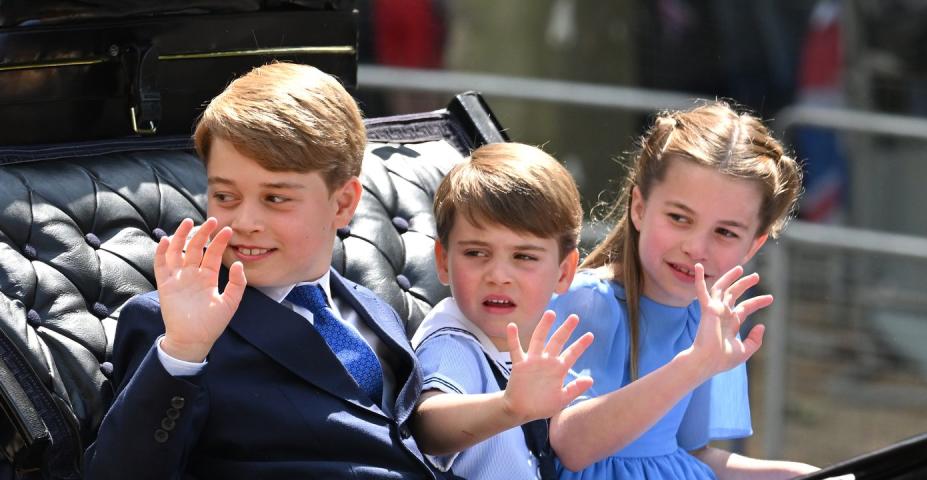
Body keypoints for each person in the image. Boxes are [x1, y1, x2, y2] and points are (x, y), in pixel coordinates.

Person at [84, 62, 446, 479]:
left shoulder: (373, 310)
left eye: (275, 198)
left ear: (343, 204)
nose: (244, 221)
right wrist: (183, 352)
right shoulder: (170, 324)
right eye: (225, 195)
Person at [547, 101, 820, 478]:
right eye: (679, 218)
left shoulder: (709, 319)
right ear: (639, 209)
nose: (696, 247)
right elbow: (572, 446)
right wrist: (694, 365)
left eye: (725, 232)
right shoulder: (589, 301)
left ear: (753, 245)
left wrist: (797, 475)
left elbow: (687, 456)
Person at [410, 142, 596, 479]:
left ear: (565, 272)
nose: (498, 276)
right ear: (443, 260)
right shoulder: (454, 339)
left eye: (524, 257)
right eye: (476, 253)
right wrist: (508, 407)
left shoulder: (538, 344)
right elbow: (427, 423)